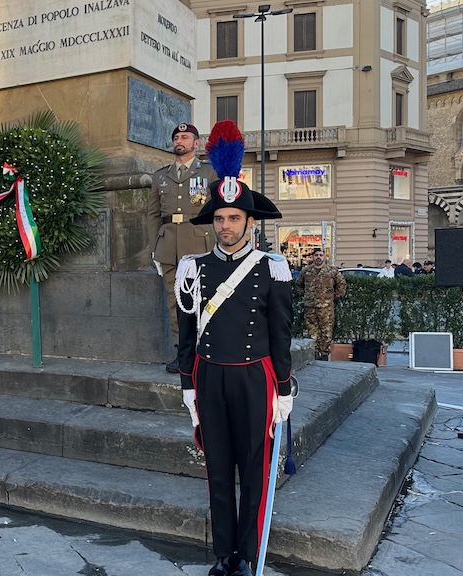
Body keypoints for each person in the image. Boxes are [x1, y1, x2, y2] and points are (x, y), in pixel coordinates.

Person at [176, 121, 294, 576]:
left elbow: (281, 333)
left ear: (249, 221)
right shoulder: (193, 268)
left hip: (254, 377)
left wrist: (283, 387)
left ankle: (248, 554)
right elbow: (187, 334)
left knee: (256, 469)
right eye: (219, 219)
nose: (225, 226)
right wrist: (188, 384)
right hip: (210, 375)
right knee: (218, 469)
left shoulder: (271, 268)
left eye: (234, 218)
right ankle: (224, 553)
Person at [148, 123, 218, 372]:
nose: (179, 141)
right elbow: (153, 215)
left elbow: (218, 209)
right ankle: (183, 352)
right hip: (168, 246)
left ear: (196, 143)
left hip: (199, 243)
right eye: (176, 137)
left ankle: (206, 349)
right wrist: (155, 247)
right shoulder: (160, 176)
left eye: (185, 137)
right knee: (174, 301)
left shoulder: (209, 173)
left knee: (202, 298)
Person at [294, 248, 346, 361]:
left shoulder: (331, 271)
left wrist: (334, 297)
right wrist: (304, 295)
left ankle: (324, 354)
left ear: (324, 257)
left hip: (326, 307)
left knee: (326, 331)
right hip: (310, 307)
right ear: (313, 257)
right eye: (316, 255)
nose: (318, 257)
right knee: (312, 331)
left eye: (321, 255)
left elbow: (341, 285)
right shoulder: (306, 271)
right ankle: (315, 353)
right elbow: (298, 284)